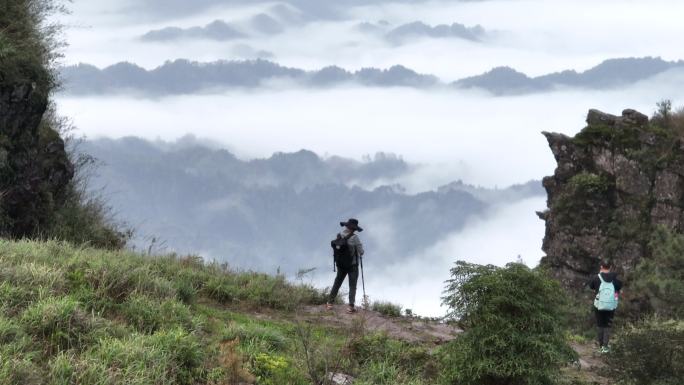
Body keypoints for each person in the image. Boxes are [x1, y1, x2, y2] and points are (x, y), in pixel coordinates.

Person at [327, 218, 365, 313]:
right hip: (352, 265)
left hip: (340, 264)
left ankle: (330, 303)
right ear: (354, 229)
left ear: (347, 226)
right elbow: (361, 252)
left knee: (337, 283)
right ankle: (351, 307)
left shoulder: (340, 235)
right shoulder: (355, 238)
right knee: (352, 285)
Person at [588, 260, 622, 353]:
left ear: (601, 266)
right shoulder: (614, 278)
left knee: (600, 324)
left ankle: (600, 346)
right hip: (611, 305)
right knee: (607, 324)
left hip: (599, 305)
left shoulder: (596, 277)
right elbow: (619, 286)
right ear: (610, 267)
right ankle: (605, 347)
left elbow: (591, 286)